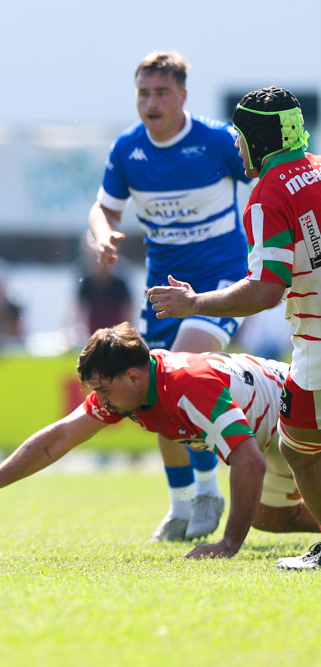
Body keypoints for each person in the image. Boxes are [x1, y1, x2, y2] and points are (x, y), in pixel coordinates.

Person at [0, 323, 318, 559]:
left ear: (132, 377)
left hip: (305, 410)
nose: (100, 400)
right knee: (267, 517)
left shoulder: (186, 387)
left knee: (252, 508)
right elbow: (57, 439)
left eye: (102, 389)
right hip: (273, 435)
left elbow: (248, 462)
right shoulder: (131, 391)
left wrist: (228, 545)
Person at [149, 86, 321, 569]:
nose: (237, 147)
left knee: (301, 449)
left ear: (260, 138)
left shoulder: (267, 196)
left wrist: (194, 303)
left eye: (241, 137)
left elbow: (267, 289)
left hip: (317, 339)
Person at [88, 51, 254, 542]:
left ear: (183, 95)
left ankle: (207, 491)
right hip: (163, 291)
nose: (151, 102)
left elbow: (267, 182)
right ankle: (181, 504)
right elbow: (104, 209)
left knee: (181, 369)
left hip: (220, 284)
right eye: (144, 93)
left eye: (162, 92)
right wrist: (102, 234)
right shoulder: (127, 149)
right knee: (151, 391)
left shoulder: (218, 141)